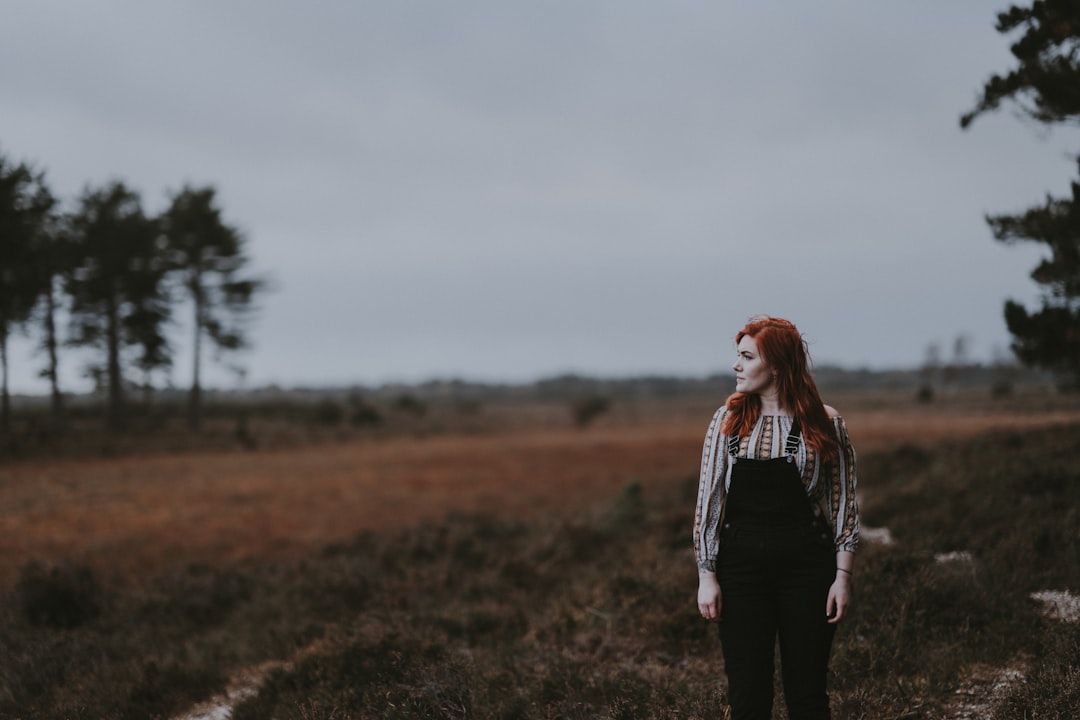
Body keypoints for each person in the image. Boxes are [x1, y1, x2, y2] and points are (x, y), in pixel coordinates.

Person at [693, 316, 859, 720]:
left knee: (807, 695)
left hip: (807, 569)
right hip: (741, 571)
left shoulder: (826, 421)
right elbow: (708, 504)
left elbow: (843, 503)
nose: (736, 365)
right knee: (748, 697)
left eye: (747, 357)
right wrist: (706, 576)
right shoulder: (726, 422)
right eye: (738, 356)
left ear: (779, 366)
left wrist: (842, 578)